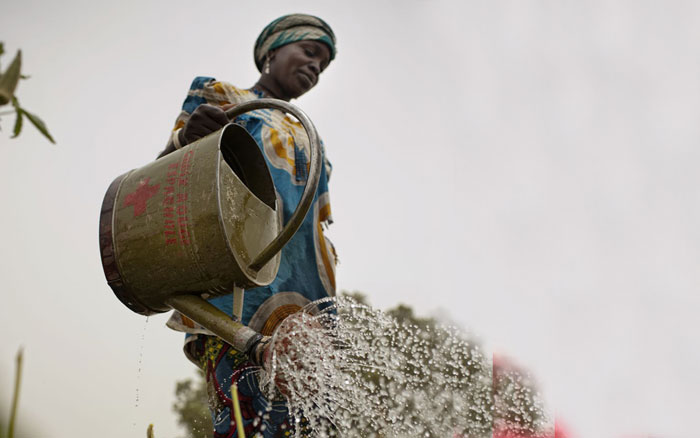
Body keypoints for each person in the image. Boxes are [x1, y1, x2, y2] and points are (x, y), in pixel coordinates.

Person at [160, 14, 338, 437]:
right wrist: (187, 140)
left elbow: (316, 222)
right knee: (246, 421)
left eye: (323, 64)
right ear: (271, 52)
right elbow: (163, 179)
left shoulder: (313, 139)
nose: (315, 67)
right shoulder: (224, 97)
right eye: (309, 52)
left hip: (306, 298)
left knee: (310, 423)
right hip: (235, 289)